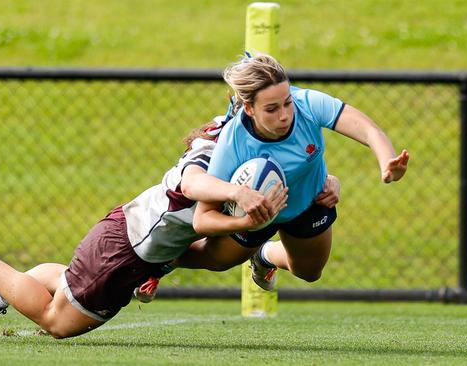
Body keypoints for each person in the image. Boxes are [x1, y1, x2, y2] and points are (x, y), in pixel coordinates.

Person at [0, 116, 289, 339]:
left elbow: (180, 231)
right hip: (126, 244)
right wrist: (244, 212)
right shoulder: (215, 151)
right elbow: (192, 201)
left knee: (68, 283)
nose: (282, 117)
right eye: (272, 108)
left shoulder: (236, 136)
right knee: (59, 322)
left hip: (131, 237)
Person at [175, 53, 409, 291]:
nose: (285, 115)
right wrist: (245, 220)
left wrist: (387, 162)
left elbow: (368, 130)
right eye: (272, 109)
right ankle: (153, 265)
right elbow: (202, 219)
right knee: (215, 260)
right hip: (256, 213)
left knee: (309, 272)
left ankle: (264, 256)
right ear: (249, 108)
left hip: (309, 202)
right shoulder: (233, 142)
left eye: (287, 102)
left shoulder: (307, 103)